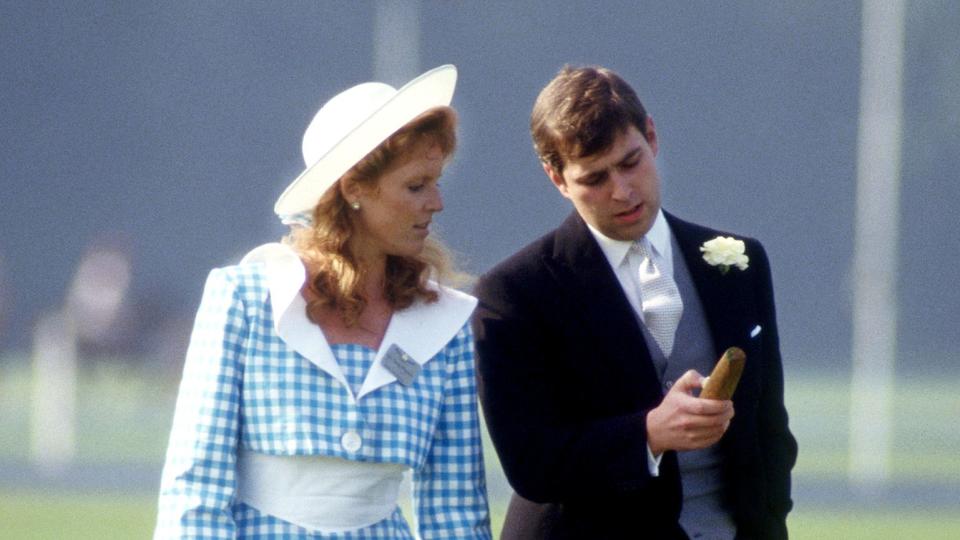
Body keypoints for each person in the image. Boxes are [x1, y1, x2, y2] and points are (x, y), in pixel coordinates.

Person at [155, 65, 492, 539]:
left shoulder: (445, 323)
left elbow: (455, 513)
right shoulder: (247, 299)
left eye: (435, 182)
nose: (436, 202)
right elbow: (195, 490)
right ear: (354, 188)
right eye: (416, 186)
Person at [472, 65, 797, 539]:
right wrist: (647, 434)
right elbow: (531, 463)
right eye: (594, 178)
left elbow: (770, 431)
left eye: (630, 162)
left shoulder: (741, 263)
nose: (622, 191)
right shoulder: (513, 294)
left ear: (652, 136)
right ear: (557, 179)